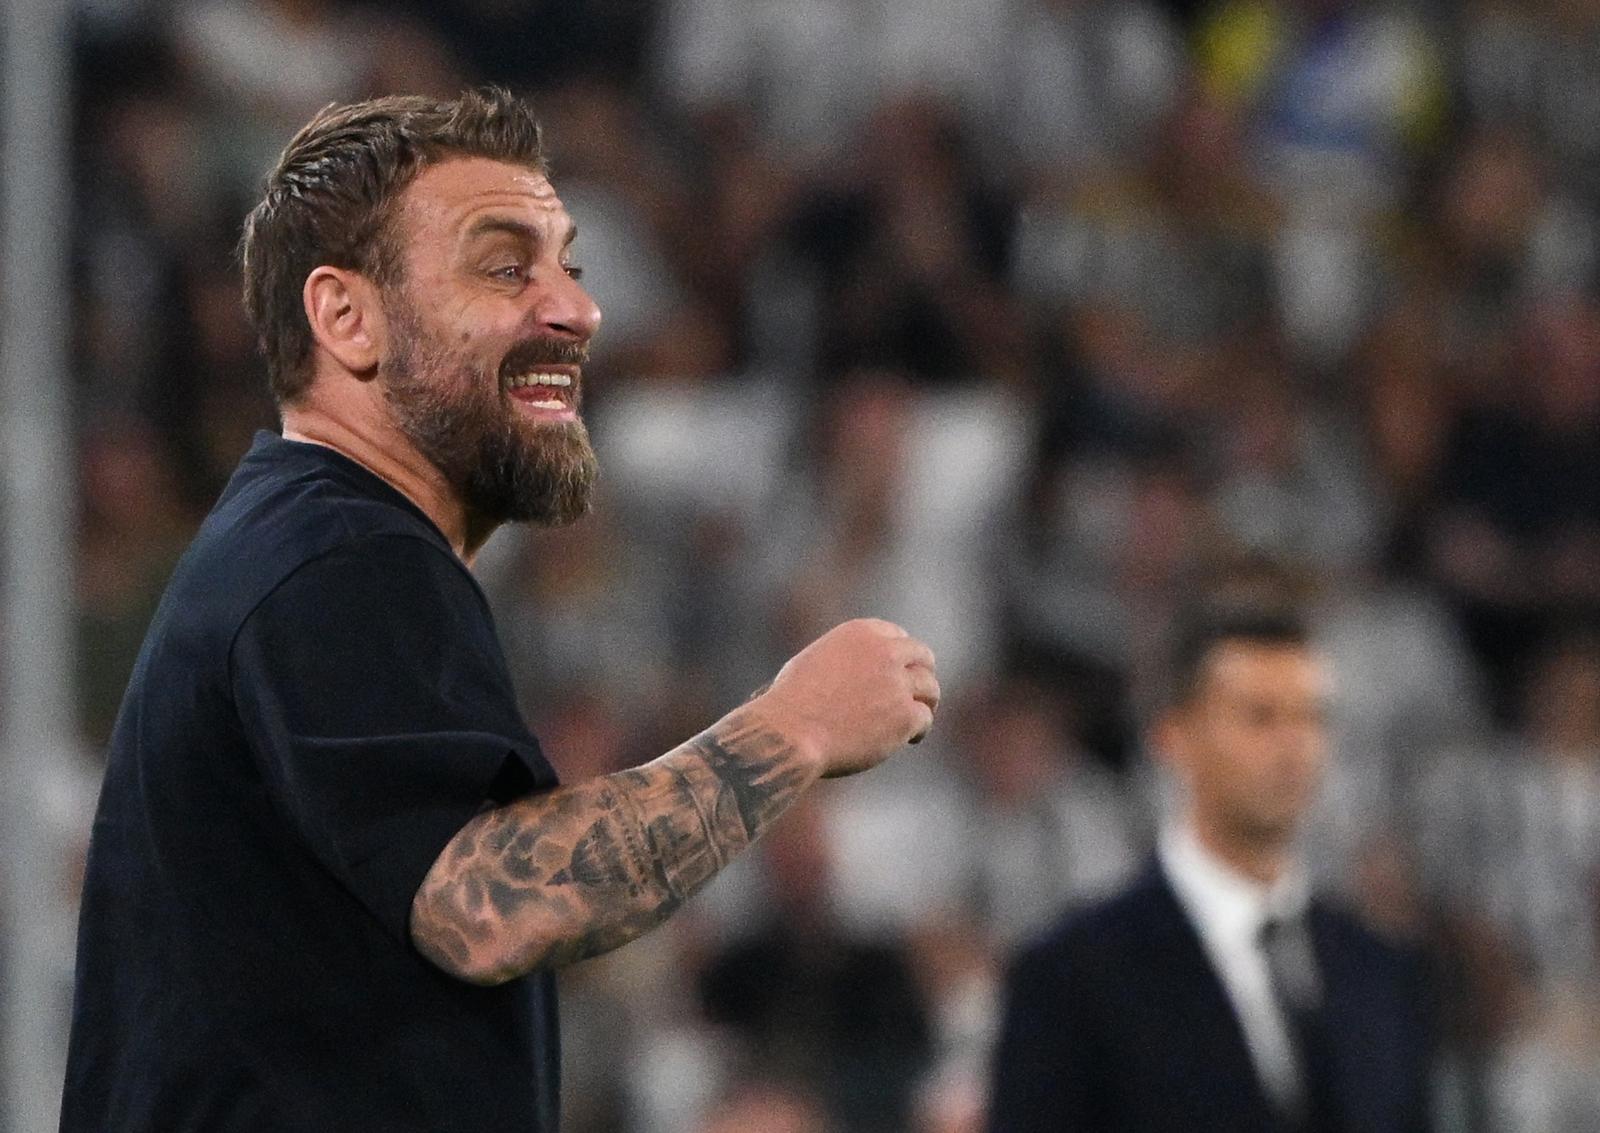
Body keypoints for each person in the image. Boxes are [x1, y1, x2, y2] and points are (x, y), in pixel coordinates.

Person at [58, 88, 940, 1132]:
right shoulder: (341, 553)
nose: (574, 308)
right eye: (502, 265)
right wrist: (793, 724)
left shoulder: (295, 543)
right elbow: (487, 904)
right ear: (346, 317)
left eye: (568, 263)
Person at [988, 603, 1433, 1132]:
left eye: (1312, 717)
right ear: (1173, 737)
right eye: (1259, 717)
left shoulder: (1381, 973)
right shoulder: (1072, 976)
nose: (1295, 747)